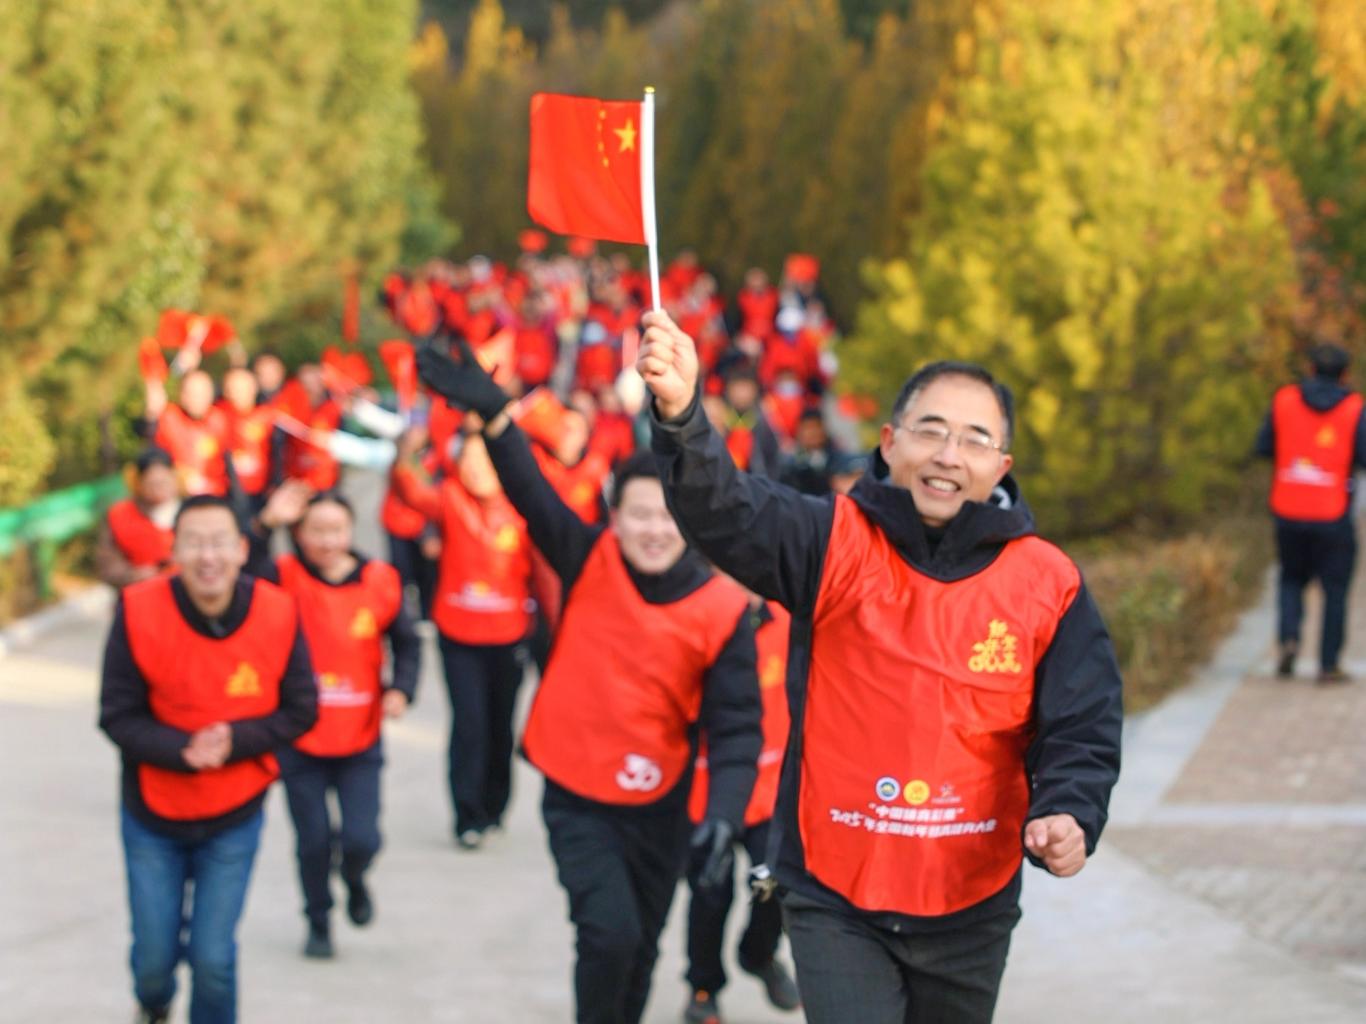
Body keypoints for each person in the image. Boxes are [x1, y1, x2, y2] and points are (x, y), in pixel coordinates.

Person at [637, 311, 1124, 1024]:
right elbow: (727, 510)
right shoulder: (830, 539)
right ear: (890, 443)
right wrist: (682, 414)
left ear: (1001, 467)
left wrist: (1071, 810)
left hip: (970, 901)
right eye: (929, 431)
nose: (949, 454)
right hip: (835, 893)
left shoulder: (1046, 582)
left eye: (974, 439)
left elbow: (1083, 720)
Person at [416, 341, 763, 1024]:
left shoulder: (723, 611)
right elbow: (530, 493)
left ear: (690, 523)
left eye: (667, 516)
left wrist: (723, 815)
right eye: (637, 513)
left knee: (640, 946)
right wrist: (494, 416)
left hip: (661, 801)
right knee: (607, 933)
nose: (652, 529)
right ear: (615, 516)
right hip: (577, 791)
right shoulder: (588, 559)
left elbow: (735, 728)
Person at [99, 494, 317, 1024]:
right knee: (154, 959)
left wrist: (236, 740)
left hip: (234, 814)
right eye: (193, 542)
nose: (207, 556)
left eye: (220, 541)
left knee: (213, 958)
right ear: (173, 550)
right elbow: (116, 714)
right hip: (153, 812)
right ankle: (153, 1004)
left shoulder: (278, 611)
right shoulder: (138, 609)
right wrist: (181, 750)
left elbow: (302, 708)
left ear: (243, 549)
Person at [391, 422, 533, 849]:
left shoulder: (522, 504)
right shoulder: (450, 498)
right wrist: (406, 452)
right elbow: (411, 491)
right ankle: (467, 815)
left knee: (500, 727)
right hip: (458, 635)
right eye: (466, 459)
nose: (474, 468)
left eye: (483, 458)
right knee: (469, 724)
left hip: (509, 636)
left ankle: (495, 805)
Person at [682, 593, 800, 1024]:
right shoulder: (696, 619)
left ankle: (759, 953)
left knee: (776, 881)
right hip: (706, 788)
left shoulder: (789, 622)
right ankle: (702, 986)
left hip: (769, 787)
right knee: (710, 892)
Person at [1255, 342, 1366, 683]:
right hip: (1332, 512)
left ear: (1309, 369)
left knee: (1290, 579)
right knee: (1334, 590)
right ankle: (1327, 664)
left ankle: (1289, 639)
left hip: (1287, 508)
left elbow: (1263, 447)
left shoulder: (1284, 400)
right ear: (1345, 375)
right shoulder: (1354, 407)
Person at [97, 447, 179, 589]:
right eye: (152, 484)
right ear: (139, 482)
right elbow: (107, 563)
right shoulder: (119, 515)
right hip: (141, 595)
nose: (158, 489)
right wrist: (132, 575)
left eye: (163, 482)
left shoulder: (193, 511)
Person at [146, 369, 231, 497]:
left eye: (202, 393)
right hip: (178, 495)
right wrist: (151, 415)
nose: (197, 399)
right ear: (181, 394)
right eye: (191, 393)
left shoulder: (221, 420)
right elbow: (148, 437)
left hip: (216, 497)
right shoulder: (168, 417)